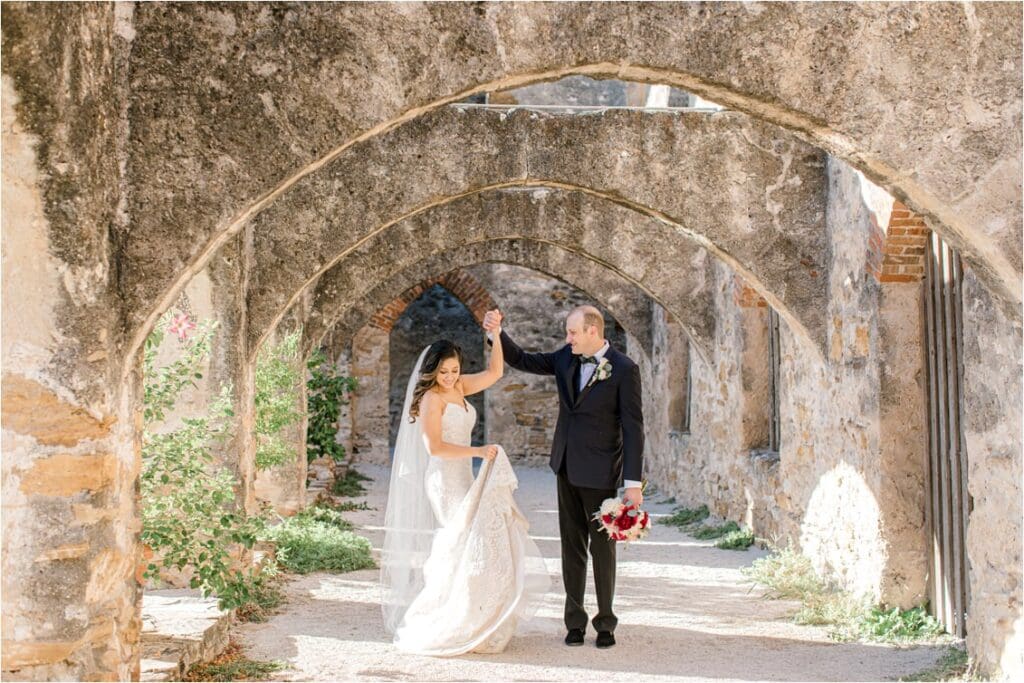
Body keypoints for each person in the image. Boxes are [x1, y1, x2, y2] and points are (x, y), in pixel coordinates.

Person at [380, 329, 550, 656]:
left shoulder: (459, 387)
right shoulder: (432, 397)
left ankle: (477, 616)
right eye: (443, 372)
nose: (449, 376)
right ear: (432, 371)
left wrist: (496, 335)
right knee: (462, 542)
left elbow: (496, 373)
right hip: (444, 480)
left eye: (454, 370)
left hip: (462, 475)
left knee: (475, 542)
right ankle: (452, 617)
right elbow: (435, 447)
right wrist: (476, 452)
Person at [484, 304, 644, 649]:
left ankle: (605, 623)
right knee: (571, 548)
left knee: (603, 550)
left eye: (572, 332)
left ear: (592, 331)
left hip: (602, 473)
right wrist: (496, 333)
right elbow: (523, 359)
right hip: (566, 467)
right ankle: (574, 622)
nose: (567, 338)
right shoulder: (565, 358)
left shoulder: (624, 370)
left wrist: (633, 484)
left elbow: (633, 429)